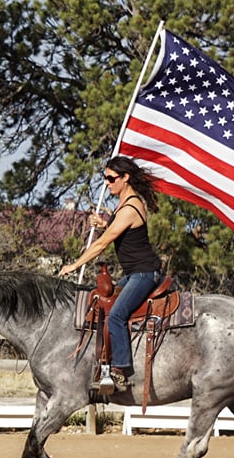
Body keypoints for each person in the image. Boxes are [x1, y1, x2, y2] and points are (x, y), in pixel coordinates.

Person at [59, 156, 163, 392]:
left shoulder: (130, 207)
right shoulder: (125, 204)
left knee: (116, 315)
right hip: (135, 273)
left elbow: (101, 244)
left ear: (125, 178)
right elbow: (124, 233)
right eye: (105, 178)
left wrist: (75, 265)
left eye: (111, 178)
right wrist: (105, 223)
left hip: (144, 273)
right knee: (104, 306)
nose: (107, 183)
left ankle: (120, 371)